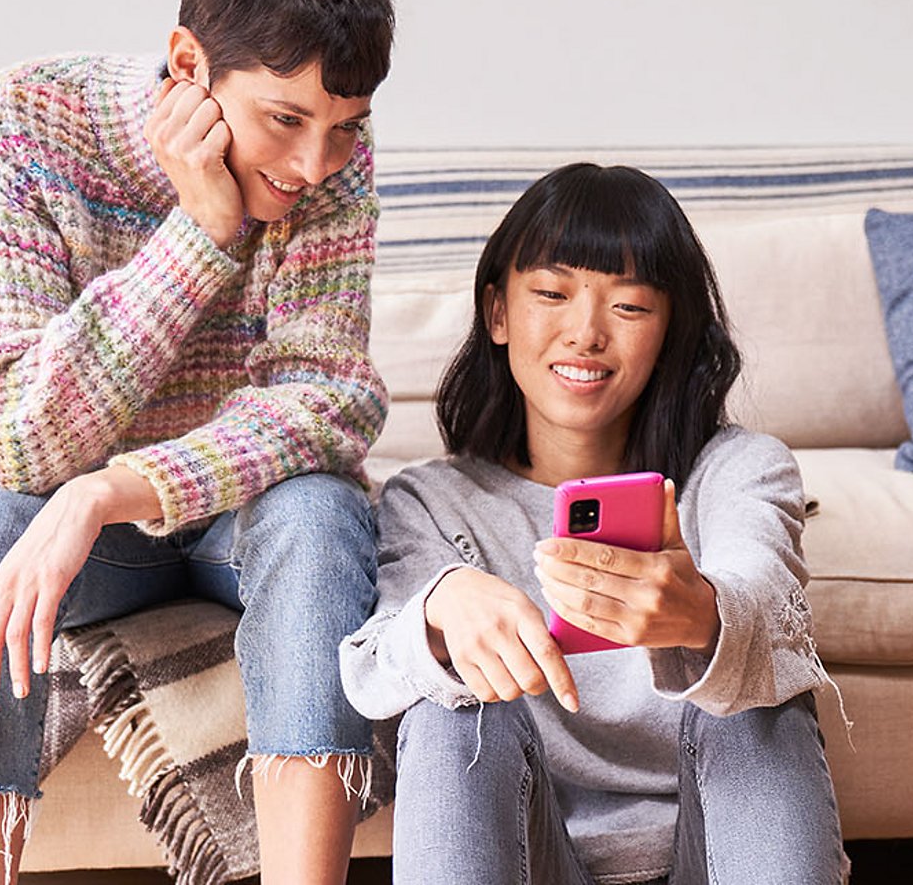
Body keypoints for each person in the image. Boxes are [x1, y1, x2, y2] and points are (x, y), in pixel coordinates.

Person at [0, 0, 394, 885]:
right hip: (83, 527)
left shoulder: (332, 160)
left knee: (321, 513)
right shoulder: (29, 118)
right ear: (188, 63)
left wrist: (110, 490)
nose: (311, 167)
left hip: (233, 518)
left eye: (343, 128)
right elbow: (15, 436)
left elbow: (328, 399)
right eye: (285, 122)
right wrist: (202, 235)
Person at [340, 163, 849, 884]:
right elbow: (368, 672)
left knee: (755, 683)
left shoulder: (739, 470)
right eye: (551, 293)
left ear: (670, 329)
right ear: (498, 313)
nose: (586, 333)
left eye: (631, 308)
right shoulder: (429, 499)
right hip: (536, 859)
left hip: (713, 855)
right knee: (453, 704)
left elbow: (767, 595)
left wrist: (702, 613)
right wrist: (436, 611)